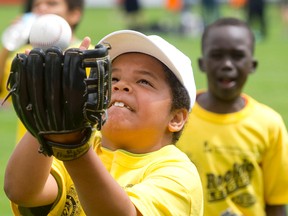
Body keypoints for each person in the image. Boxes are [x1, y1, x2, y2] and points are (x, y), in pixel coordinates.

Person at [4, 30, 204, 215]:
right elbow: (21, 191)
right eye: (113, 78)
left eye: (144, 81)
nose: (121, 86)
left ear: (176, 118)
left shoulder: (178, 173)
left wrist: (73, 147)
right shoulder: (85, 147)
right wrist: (49, 107)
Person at [177, 17, 288, 216]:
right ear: (202, 63)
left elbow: (276, 203)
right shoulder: (177, 118)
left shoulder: (269, 124)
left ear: (252, 65)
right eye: (217, 55)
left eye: (237, 56)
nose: (227, 64)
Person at [0, 0, 85, 142]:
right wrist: (9, 43)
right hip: (30, 155)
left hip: (73, 154)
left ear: (74, 14)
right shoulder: (23, 56)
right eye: (36, 5)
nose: (41, 8)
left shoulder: (90, 55)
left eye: (51, 3)